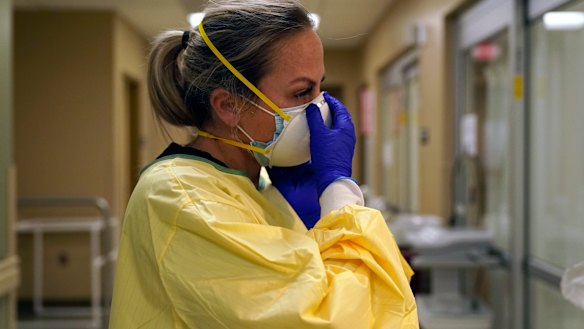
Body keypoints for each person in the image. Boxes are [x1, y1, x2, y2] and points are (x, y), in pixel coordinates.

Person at [108, 0, 418, 328]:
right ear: (229, 106)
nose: (320, 107)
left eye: (319, 87)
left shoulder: (257, 184)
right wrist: (338, 192)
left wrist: (315, 221)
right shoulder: (180, 196)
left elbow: (377, 294)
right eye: (301, 93)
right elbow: (335, 319)